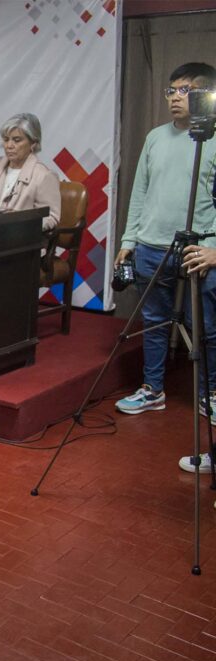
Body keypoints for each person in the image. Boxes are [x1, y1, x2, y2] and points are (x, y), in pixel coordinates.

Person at [114, 62, 216, 429]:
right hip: (151, 246)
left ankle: (211, 394)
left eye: (185, 90)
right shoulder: (155, 138)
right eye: (171, 90)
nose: (174, 96)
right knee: (154, 323)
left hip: (198, 252)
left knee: (205, 327)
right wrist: (129, 241)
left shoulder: (214, 138)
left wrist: (215, 250)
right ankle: (152, 390)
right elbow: (139, 192)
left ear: (206, 95)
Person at [0, 113, 61, 231]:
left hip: (21, 242)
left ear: (33, 143)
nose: (9, 145)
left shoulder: (45, 176)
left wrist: (19, 229)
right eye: (6, 140)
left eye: (17, 140)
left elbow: (51, 217)